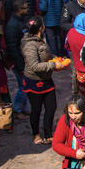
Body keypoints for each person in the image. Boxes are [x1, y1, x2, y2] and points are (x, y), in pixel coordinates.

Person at [21, 17, 60, 145]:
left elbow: (46, 56)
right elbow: (34, 66)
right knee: (36, 109)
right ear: (40, 28)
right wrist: (53, 66)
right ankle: (36, 133)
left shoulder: (41, 40)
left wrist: (55, 58)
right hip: (34, 81)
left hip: (46, 80)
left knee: (51, 107)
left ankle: (48, 134)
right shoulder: (29, 45)